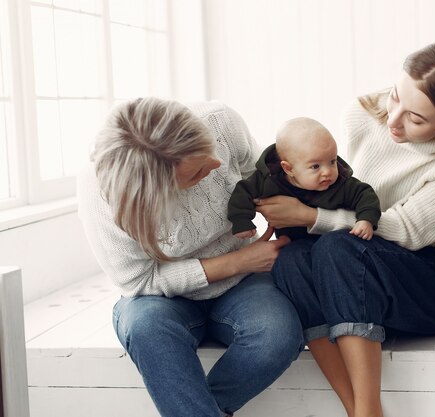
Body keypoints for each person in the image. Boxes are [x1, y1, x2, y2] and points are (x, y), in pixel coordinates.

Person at [257, 39, 435, 417]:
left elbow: (404, 229)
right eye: (396, 97)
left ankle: (366, 412)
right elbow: (345, 195)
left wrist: (309, 217)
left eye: (416, 119)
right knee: (292, 260)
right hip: (366, 261)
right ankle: (359, 410)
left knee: (336, 248)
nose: (393, 120)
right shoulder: (362, 115)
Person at [77, 98, 303, 417]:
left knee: (277, 334)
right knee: (145, 329)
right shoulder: (102, 193)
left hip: (244, 285)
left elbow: (262, 179)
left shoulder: (220, 121)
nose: (214, 164)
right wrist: (238, 262)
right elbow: (138, 281)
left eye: (208, 149)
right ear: (155, 191)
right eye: (197, 173)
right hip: (162, 298)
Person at [227, 117, 380, 241]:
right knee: (287, 261)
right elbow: (243, 191)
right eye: (315, 167)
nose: (327, 172)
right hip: (292, 243)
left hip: (334, 240)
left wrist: (366, 220)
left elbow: (365, 195)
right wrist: (241, 220)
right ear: (289, 169)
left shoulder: (342, 184)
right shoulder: (270, 179)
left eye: (332, 161)